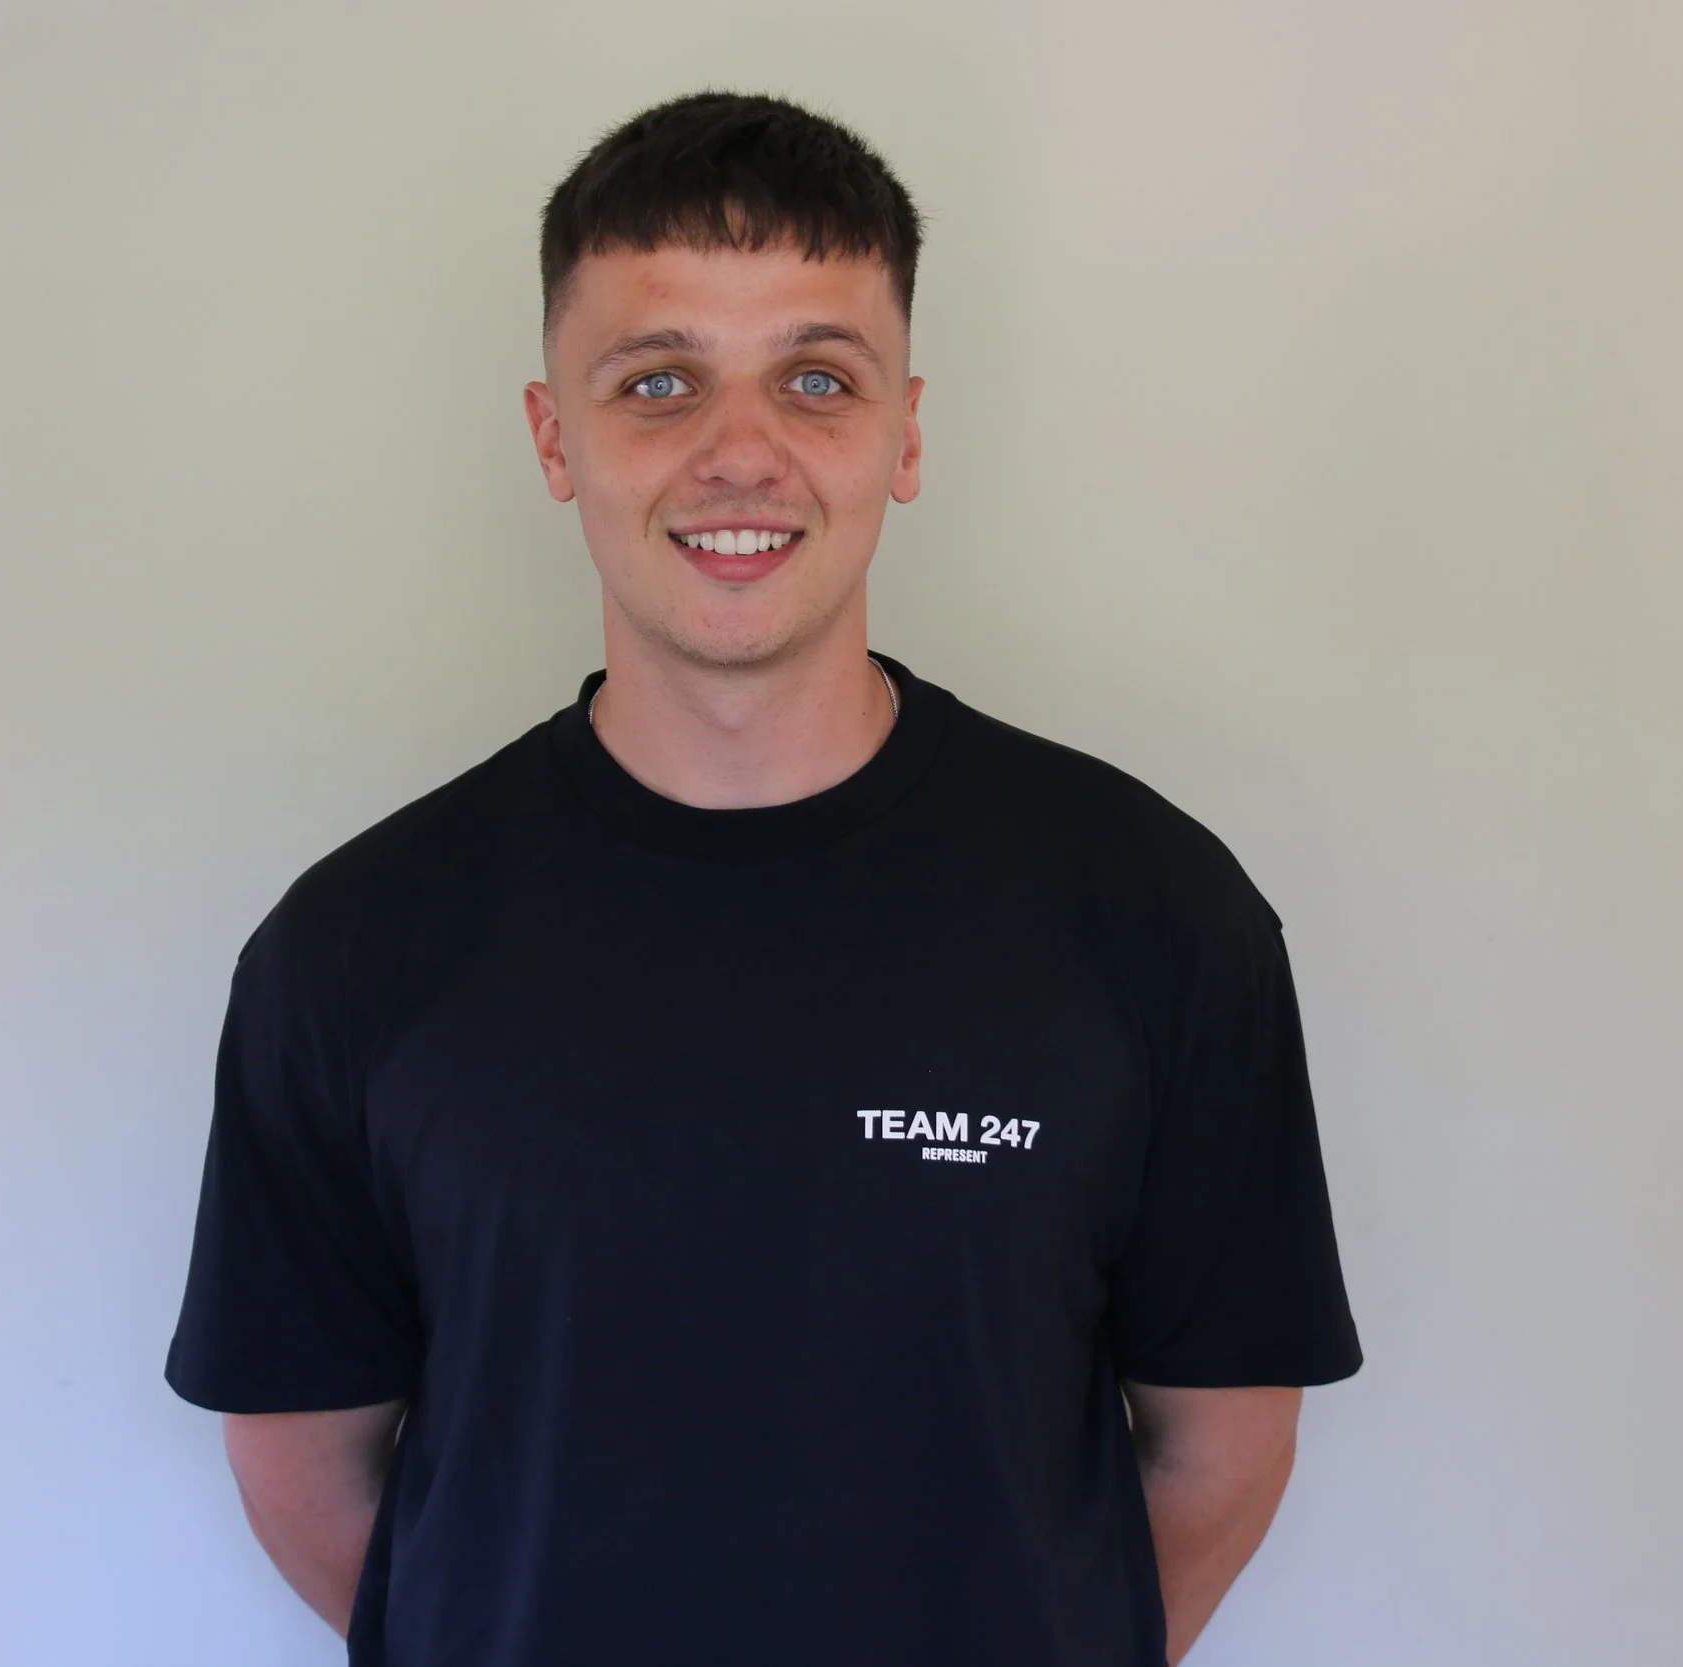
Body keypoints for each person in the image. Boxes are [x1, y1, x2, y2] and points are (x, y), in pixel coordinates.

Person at [166, 89, 1364, 1667]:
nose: (743, 452)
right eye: (658, 382)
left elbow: (1221, 1450)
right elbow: (304, 1472)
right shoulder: (354, 950)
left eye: (817, 378)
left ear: (906, 432)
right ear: (553, 438)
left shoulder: (1153, 914)